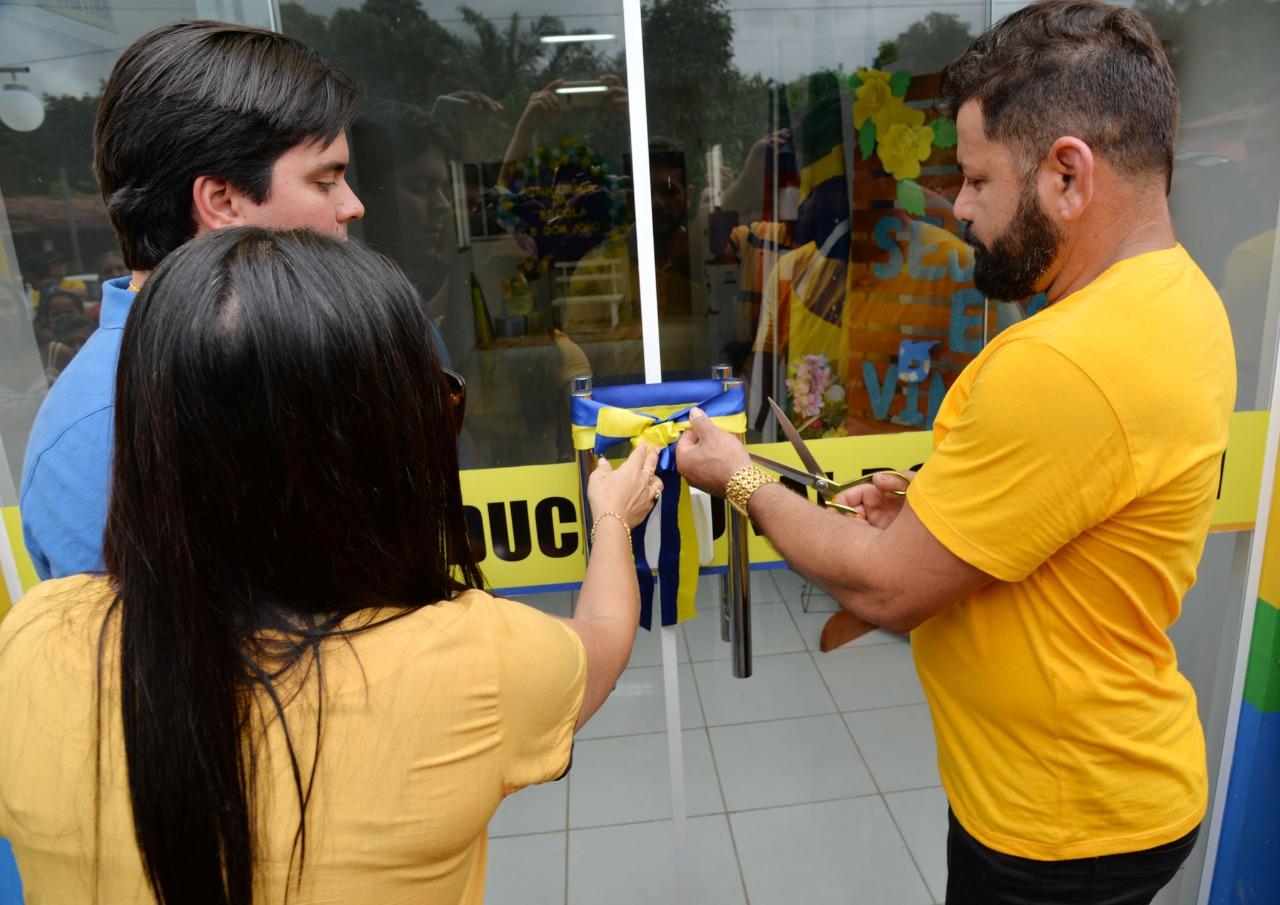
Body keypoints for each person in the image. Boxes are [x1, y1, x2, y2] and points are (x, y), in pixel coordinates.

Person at [675, 2, 1233, 903]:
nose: (958, 208)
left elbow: (884, 587)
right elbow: (1077, 496)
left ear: (1067, 175)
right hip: (1104, 786)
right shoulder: (1180, 296)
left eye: (975, 179)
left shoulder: (1061, 359)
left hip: (1056, 829)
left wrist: (738, 477)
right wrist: (942, 498)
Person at [0, 227, 664, 905]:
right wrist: (612, 514)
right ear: (374, 451)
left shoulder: (29, 641)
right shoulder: (471, 659)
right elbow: (605, 639)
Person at [20, 20, 365, 581]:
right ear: (223, 200)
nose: (352, 206)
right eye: (325, 182)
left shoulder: (267, 350)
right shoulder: (112, 429)